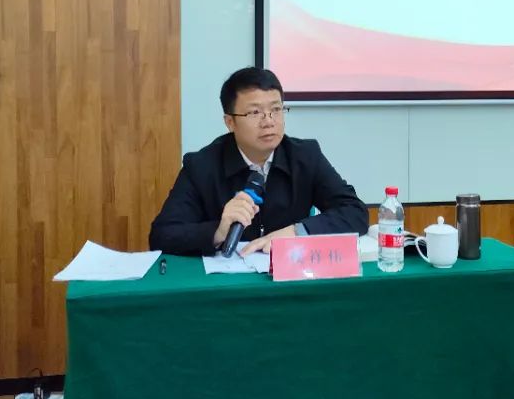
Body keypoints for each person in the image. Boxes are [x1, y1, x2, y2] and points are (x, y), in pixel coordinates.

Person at [149, 67, 367, 257]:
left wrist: (296, 232)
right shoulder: (202, 166)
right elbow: (162, 235)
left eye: (276, 109)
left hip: (289, 277)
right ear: (230, 122)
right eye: (255, 112)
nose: (269, 121)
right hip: (228, 283)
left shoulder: (305, 156)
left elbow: (355, 211)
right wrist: (218, 231)